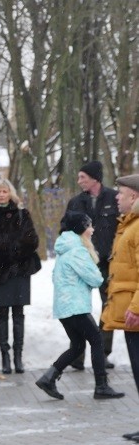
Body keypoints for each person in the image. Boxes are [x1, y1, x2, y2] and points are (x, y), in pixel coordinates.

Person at [35, 212, 124, 401]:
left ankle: (48, 377)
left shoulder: (64, 249)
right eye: (89, 226)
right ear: (80, 229)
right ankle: (101, 386)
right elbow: (95, 278)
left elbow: (55, 277)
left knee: (77, 346)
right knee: (97, 340)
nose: (92, 230)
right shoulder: (77, 250)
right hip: (75, 306)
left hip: (64, 306)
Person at [0, 179, 40, 374]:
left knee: (19, 314)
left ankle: (18, 357)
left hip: (20, 271)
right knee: (2, 314)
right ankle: (5, 356)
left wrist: (11, 248)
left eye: (5, 191)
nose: (2, 195)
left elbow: (31, 240)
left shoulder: (22, 213)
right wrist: (12, 247)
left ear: (10, 193)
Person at [66, 160, 119, 368]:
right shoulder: (75, 203)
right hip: (82, 263)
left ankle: (102, 353)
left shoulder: (115, 199)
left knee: (108, 306)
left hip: (108, 263)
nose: (79, 181)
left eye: (83, 177)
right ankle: (77, 355)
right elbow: (66, 229)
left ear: (95, 178)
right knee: (79, 308)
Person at [101, 176, 139, 411]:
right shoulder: (129, 224)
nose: (116, 197)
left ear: (134, 197)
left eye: (121, 193)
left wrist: (136, 308)